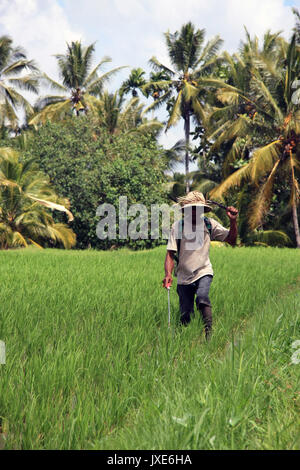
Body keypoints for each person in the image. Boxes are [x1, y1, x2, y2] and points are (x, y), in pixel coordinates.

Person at [162, 191, 238, 340]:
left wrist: (233, 221)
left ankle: (209, 335)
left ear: (203, 209)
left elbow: (232, 240)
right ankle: (186, 341)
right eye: (192, 209)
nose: (195, 212)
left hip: (204, 270)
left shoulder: (209, 224)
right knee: (186, 316)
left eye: (198, 208)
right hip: (183, 276)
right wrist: (168, 275)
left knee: (202, 297)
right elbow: (170, 253)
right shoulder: (178, 226)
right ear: (186, 210)